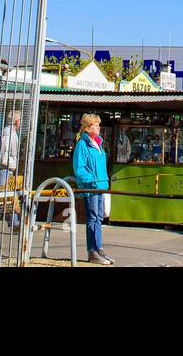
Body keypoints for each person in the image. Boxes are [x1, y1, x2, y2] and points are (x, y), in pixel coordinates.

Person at [72, 113, 114, 265]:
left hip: (101, 187)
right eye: (96, 125)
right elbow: (79, 169)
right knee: (92, 218)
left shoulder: (98, 144)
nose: (99, 127)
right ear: (88, 128)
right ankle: (92, 251)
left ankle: (98, 248)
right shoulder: (82, 145)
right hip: (91, 188)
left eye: (98, 124)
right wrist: (92, 180)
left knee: (99, 218)